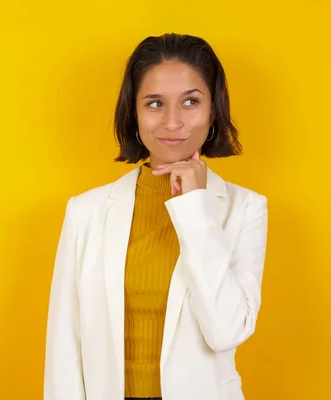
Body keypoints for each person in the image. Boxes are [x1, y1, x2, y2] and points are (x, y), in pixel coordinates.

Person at [44, 33, 268, 400]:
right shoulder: (86, 211)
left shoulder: (245, 208)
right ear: (133, 111)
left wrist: (194, 210)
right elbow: (64, 347)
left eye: (191, 102)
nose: (173, 122)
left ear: (213, 110)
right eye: (154, 104)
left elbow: (226, 331)